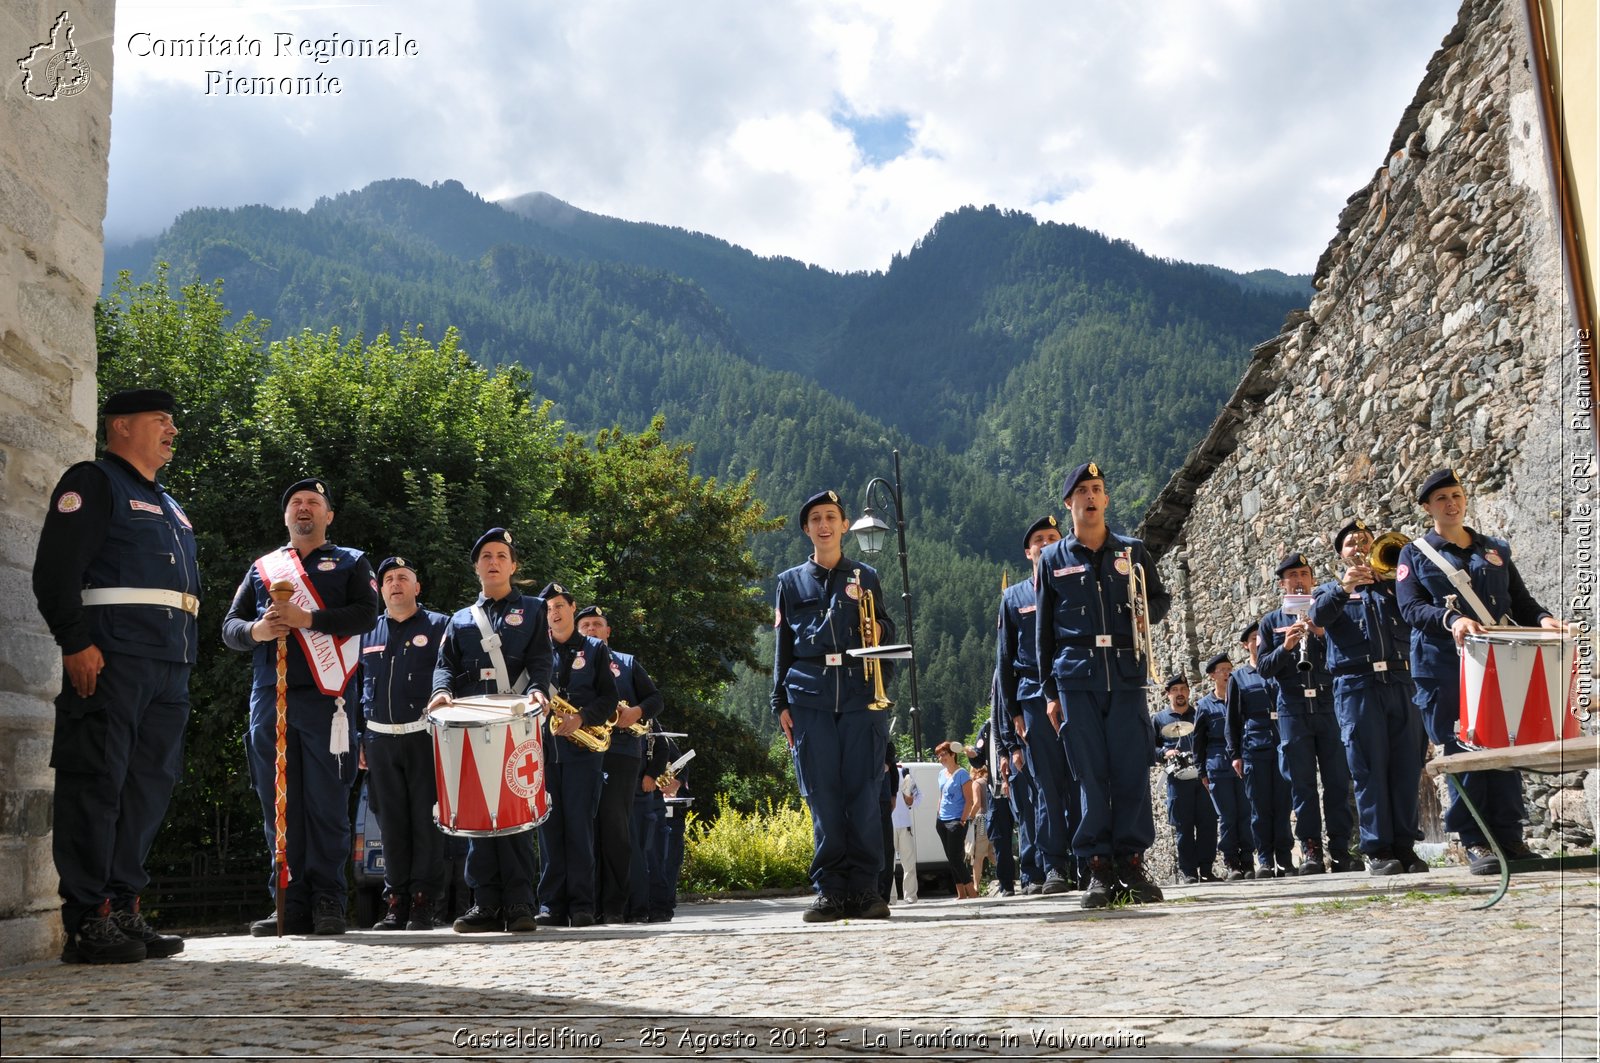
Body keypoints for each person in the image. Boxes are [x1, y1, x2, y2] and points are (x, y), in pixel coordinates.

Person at [33, 388, 198, 963]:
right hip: (113, 659)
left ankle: (124, 906)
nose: (172, 431)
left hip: (168, 666)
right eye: (161, 421)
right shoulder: (95, 482)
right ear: (121, 426)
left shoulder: (171, 504)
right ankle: (87, 918)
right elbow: (55, 569)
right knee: (96, 782)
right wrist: (74, 641)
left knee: (148, 787)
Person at [223, 478, 378, 936]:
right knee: (279, 803)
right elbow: (229, 627)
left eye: (314, 502)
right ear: (285, 516)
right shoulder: (264, 568)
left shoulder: (351, 562)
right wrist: (258, 631)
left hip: (328, 700)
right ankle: (288, 902)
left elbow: (366, 615)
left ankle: (329, 899)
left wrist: (307, 620)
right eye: (296, 503)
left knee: (327, 803)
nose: (304, 508)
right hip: (271, 696)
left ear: (329, 516)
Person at [1396, 468, 1564, 874]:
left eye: (1456, 495)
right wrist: (1451, 620)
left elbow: (1520, 600)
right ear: (1426, 508)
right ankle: (1475, 841)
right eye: (1441, 499)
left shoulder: (1494, 549)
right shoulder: (1415, 553)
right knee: (1462, 750)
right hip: (1443, 667)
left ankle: (1508, 836)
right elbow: (1410, 608)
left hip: (1498, 663)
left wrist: (1543, 619)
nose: (1451, 503)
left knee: (1504, 746)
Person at [1035, 462, 1169, 908]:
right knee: (1089, 773)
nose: (1091, 497)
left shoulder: (1131, 551)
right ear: (1069, 502)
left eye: (1097, 489)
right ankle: (1097, 868)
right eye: (1082, 491)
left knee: (1131, 769)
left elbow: (1160, 599)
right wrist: (1050, 692)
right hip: (1076, 678)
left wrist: (1141, 611)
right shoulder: (1054, 559)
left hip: (1127, 675)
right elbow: (1045, 635)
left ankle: (1131, 862)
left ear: (1106, 499)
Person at [771, 490, 895, 922]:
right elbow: (782, 646)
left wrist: (875, 625)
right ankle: (830, 891)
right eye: (816, 519)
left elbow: (886, 629)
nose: (824, 525)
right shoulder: (789, 582)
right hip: (809, 698)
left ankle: (865, 889)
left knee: (863, 793)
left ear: (844, 526)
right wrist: (779, 702)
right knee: (822, 796)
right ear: (807, 529)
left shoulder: (867, 575)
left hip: (862, 696)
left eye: (832, 518)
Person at [427, 528, 551, 933]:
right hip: (471, 722)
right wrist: (441, 691)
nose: (493, 562)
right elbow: (444, 663)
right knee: (478, 814)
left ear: (513, 565)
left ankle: (519, 904)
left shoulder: (533, 609)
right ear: (476, 566)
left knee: (514, 813)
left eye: (501, 555)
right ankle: (485, 903)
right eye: (486, 556)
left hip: (515, 719)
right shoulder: (460, 619)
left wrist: (537, 694)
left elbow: (541, 661)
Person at [1309, 517, 1425, 876]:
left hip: (1401, 680)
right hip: (1356, 685)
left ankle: (1405, 845)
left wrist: (1390, 584)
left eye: (1365, 540)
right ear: (1341, 555)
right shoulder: (1329, 590)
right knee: (1368, 768)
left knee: (1407, 766)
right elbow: (1318, 617)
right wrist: (1344, 589)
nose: (1359, 547)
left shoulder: (1394, 584)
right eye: (1351, 544)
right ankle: (1377, 848)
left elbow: (1415, 615)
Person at [358, 556, 449, 930]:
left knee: (425, 823)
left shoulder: (440, 626)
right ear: (380, 590)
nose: (395, 584)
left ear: (417, 587)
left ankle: (424, 902)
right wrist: (359, 737)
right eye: (388, 579)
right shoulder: (367, 632)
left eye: (403, 578)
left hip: (424, 737)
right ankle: (395, 901)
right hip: (379, 740)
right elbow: (354, 689)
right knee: (390, 824)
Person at [1256, 551, 1355, 874]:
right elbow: (1265, 670)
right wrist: (1286, 647)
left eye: (1304, 574)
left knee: (1338, 780)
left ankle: (1341, 848)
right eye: (1292, 576)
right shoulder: (1271, 622)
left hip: (1328, 704)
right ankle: (1311, 848)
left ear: (1312, 579)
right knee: (1302, 784)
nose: (1299, 580)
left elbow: (1347, 653)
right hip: (1293, 708)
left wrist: (1321, 633)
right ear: (1282, 584)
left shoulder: (1328, 613)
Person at [995, 514, 1078, 896]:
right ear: (1028, 552)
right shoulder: (1013, 598)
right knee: (1047, 785)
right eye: (1039, 540)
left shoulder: (1074, 588)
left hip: (1076, 690)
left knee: (1084, 777)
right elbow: (1004, 660)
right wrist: (1013, 714)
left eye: (1052, 537)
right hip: (1031, 697)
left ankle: (1088, 860)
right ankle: (1055, 866)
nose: (1046, 544)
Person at [575, 603, 662, 922]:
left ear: (608, 632)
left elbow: (655, 699)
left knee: (615, 830)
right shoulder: (569, 662)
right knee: (583, 829)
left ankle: (614, 907)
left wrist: (636, 713)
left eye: (597, 624)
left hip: (621, 754)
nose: (591, 630)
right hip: (579, 754)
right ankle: (585, 905)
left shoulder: (626, 663)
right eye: (585, 625)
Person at [537, 584, 619, 927]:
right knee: (549, 830)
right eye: (548, 609)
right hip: (544, 752)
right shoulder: (536, 651)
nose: (554, 613)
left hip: (583, 753)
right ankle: (551, 905)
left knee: (580, 830)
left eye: (559, 606)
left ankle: (582, 905)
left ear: (573, 608)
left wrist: (581, 718)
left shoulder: (596, 650)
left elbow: (609, 699)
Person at [1226, 620, 1295, 878]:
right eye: (1253, 638)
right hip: (1254, 748)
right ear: (1246, 645)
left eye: (1260, 637)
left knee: (1283, 804)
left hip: (1281, 743)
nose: (1258, 641)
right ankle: (1265, 860)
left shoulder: (1278, 669)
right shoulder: (1239, 677)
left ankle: (1285, 860)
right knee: (1260, 808)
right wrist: (1235, 754)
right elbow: (1232, 719)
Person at [1152, 674, 1218, 884]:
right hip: (1177, 779)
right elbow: (1149, 748)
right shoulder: (1159, 719)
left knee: (1208, 824)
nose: (1180, 693)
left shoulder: (1199, 714)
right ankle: (1188, 872)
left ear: (1188, 692)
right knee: (1184, 826)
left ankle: (1206, 870)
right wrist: (1165, 753)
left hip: (1201, 777)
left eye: (1183, 689)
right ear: (1168, 694)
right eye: (1175, 690)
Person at [1193, 654, 1252, 879]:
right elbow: (1198, 742)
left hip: (1242, 762)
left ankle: (1247, 858)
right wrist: (1202, 772)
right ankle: (1231, 861)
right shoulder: (1205, 706)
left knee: (1246, 813)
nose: (1228, 673)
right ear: (1212, 676)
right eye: (1223, 670)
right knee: (1227, 816)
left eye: (1230, 668)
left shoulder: (1240, 698)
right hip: (1217, 765)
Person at [934, 741, 977, 898]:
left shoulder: (962, 774)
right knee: (951, 858)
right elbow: (941, 796)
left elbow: (969, 800)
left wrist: (963, 820)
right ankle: (961, 894)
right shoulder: (941, 774)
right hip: (942, 821)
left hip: (956, 820)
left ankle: (972, 892)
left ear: (953, 754)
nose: (941, 758)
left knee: (956, 858)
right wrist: (938, 814)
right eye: (938, 755)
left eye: (943, 754)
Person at [889, 763, 921, 904]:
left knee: (909, 863)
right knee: (887, 864)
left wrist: (909, 800)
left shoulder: (904, 772)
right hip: (887, 824)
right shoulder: (879, 771)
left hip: (904, 824)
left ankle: (910, 896)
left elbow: (918, 798)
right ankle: (890, 897)